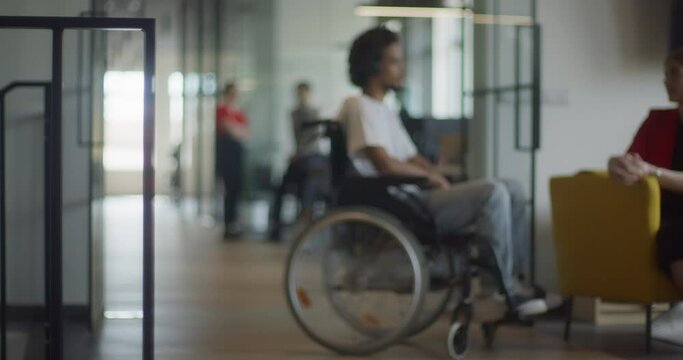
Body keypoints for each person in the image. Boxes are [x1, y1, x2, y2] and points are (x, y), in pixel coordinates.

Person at [336, 27, 547, 317]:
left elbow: (410, 155)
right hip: (401, 200)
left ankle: (518, 281)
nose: (402, 68)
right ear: (373, 64)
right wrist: (429, 178)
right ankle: (496, 289)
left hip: (413, 192)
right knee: (492, 193)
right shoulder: (359, 106)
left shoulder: (383, 109)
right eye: (395, 61)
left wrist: (436, 172)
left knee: (513, 187)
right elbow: (384, 163)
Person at [608, 48, 683, 344]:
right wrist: (616, 166)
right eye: (666, 73)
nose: (666, 80)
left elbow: (648, 170)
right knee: (674, 234)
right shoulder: (657, 122)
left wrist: (653, 172)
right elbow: (632, 160)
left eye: (674, 72)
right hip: (665, 220)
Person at [268, 82, 330, 241]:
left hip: (309, 158)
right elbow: (297, 137)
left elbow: (313, 138)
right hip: (299, 159)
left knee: (309, 186)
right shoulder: (294, 113)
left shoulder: (315, 113)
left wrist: (299, 152)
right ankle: (275, 229)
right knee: (280, 187)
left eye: (303, 93)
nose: (300, 96)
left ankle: (305, 224)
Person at [216, 83, 249, 238]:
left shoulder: (238, 111)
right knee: (228, 188)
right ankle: (228, 224)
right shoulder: (221, 109)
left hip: (237, 153)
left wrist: (235, 129)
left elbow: (245, 133)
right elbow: (228, 128)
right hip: (226, 153)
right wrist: (236, 129)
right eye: (232, 93)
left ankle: (235, 223)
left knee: (237, 188)